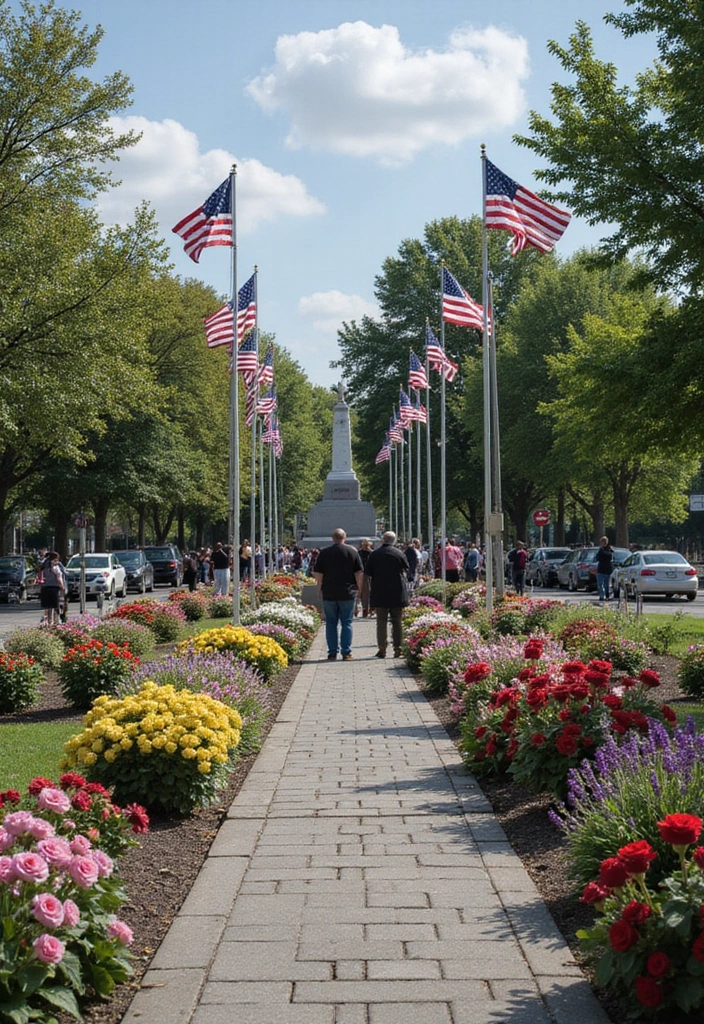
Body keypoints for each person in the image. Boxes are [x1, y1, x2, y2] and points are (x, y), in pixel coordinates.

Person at [312, 528, 364, 661]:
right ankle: (346, 652)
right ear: (344, 537)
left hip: (329, 592)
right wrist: (359, 590)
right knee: (347, 622)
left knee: (330, 623)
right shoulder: (353, 552)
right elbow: (359, 573)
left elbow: (318, 573)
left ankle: (332, 652)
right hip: (348, 592)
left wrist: (319, 588)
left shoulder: (324, 553)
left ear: (332, 538)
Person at [364, 531, 410, 658]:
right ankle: (398, 649)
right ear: (394, 541)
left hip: (380, 592)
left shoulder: (374, 555)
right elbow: (406, 568)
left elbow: (368, 573)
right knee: (397, 621)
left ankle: (382, 649)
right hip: (397, 592)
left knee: (381, 621)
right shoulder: (399, 553)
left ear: (383, 540)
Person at [39, 551, 65, 626]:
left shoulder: (43, 567)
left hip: (44, 587)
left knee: (47, 606)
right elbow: (59, 578)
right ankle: (54, 622)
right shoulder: (55, 567)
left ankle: (46, 621)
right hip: (54, 588)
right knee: (55, 606)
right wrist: (62, 587)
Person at [355, 538, 373, 617]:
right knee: (366, 594)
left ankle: (355, 610)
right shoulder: (372, 554)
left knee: (357, 593)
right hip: (367, 575)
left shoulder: (358, 553)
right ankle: (365, 610)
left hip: (358, 574)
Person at [596, 535, 615, 602]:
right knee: (600, 584)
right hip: (600, 569)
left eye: (602, 542)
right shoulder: (600, 550)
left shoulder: (610, 549)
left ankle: (607, 595)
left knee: (607, 584)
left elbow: (609, 557)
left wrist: (602, 554)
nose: (601, 543)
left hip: (608, 569)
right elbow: (597, 558)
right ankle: (602, 596)